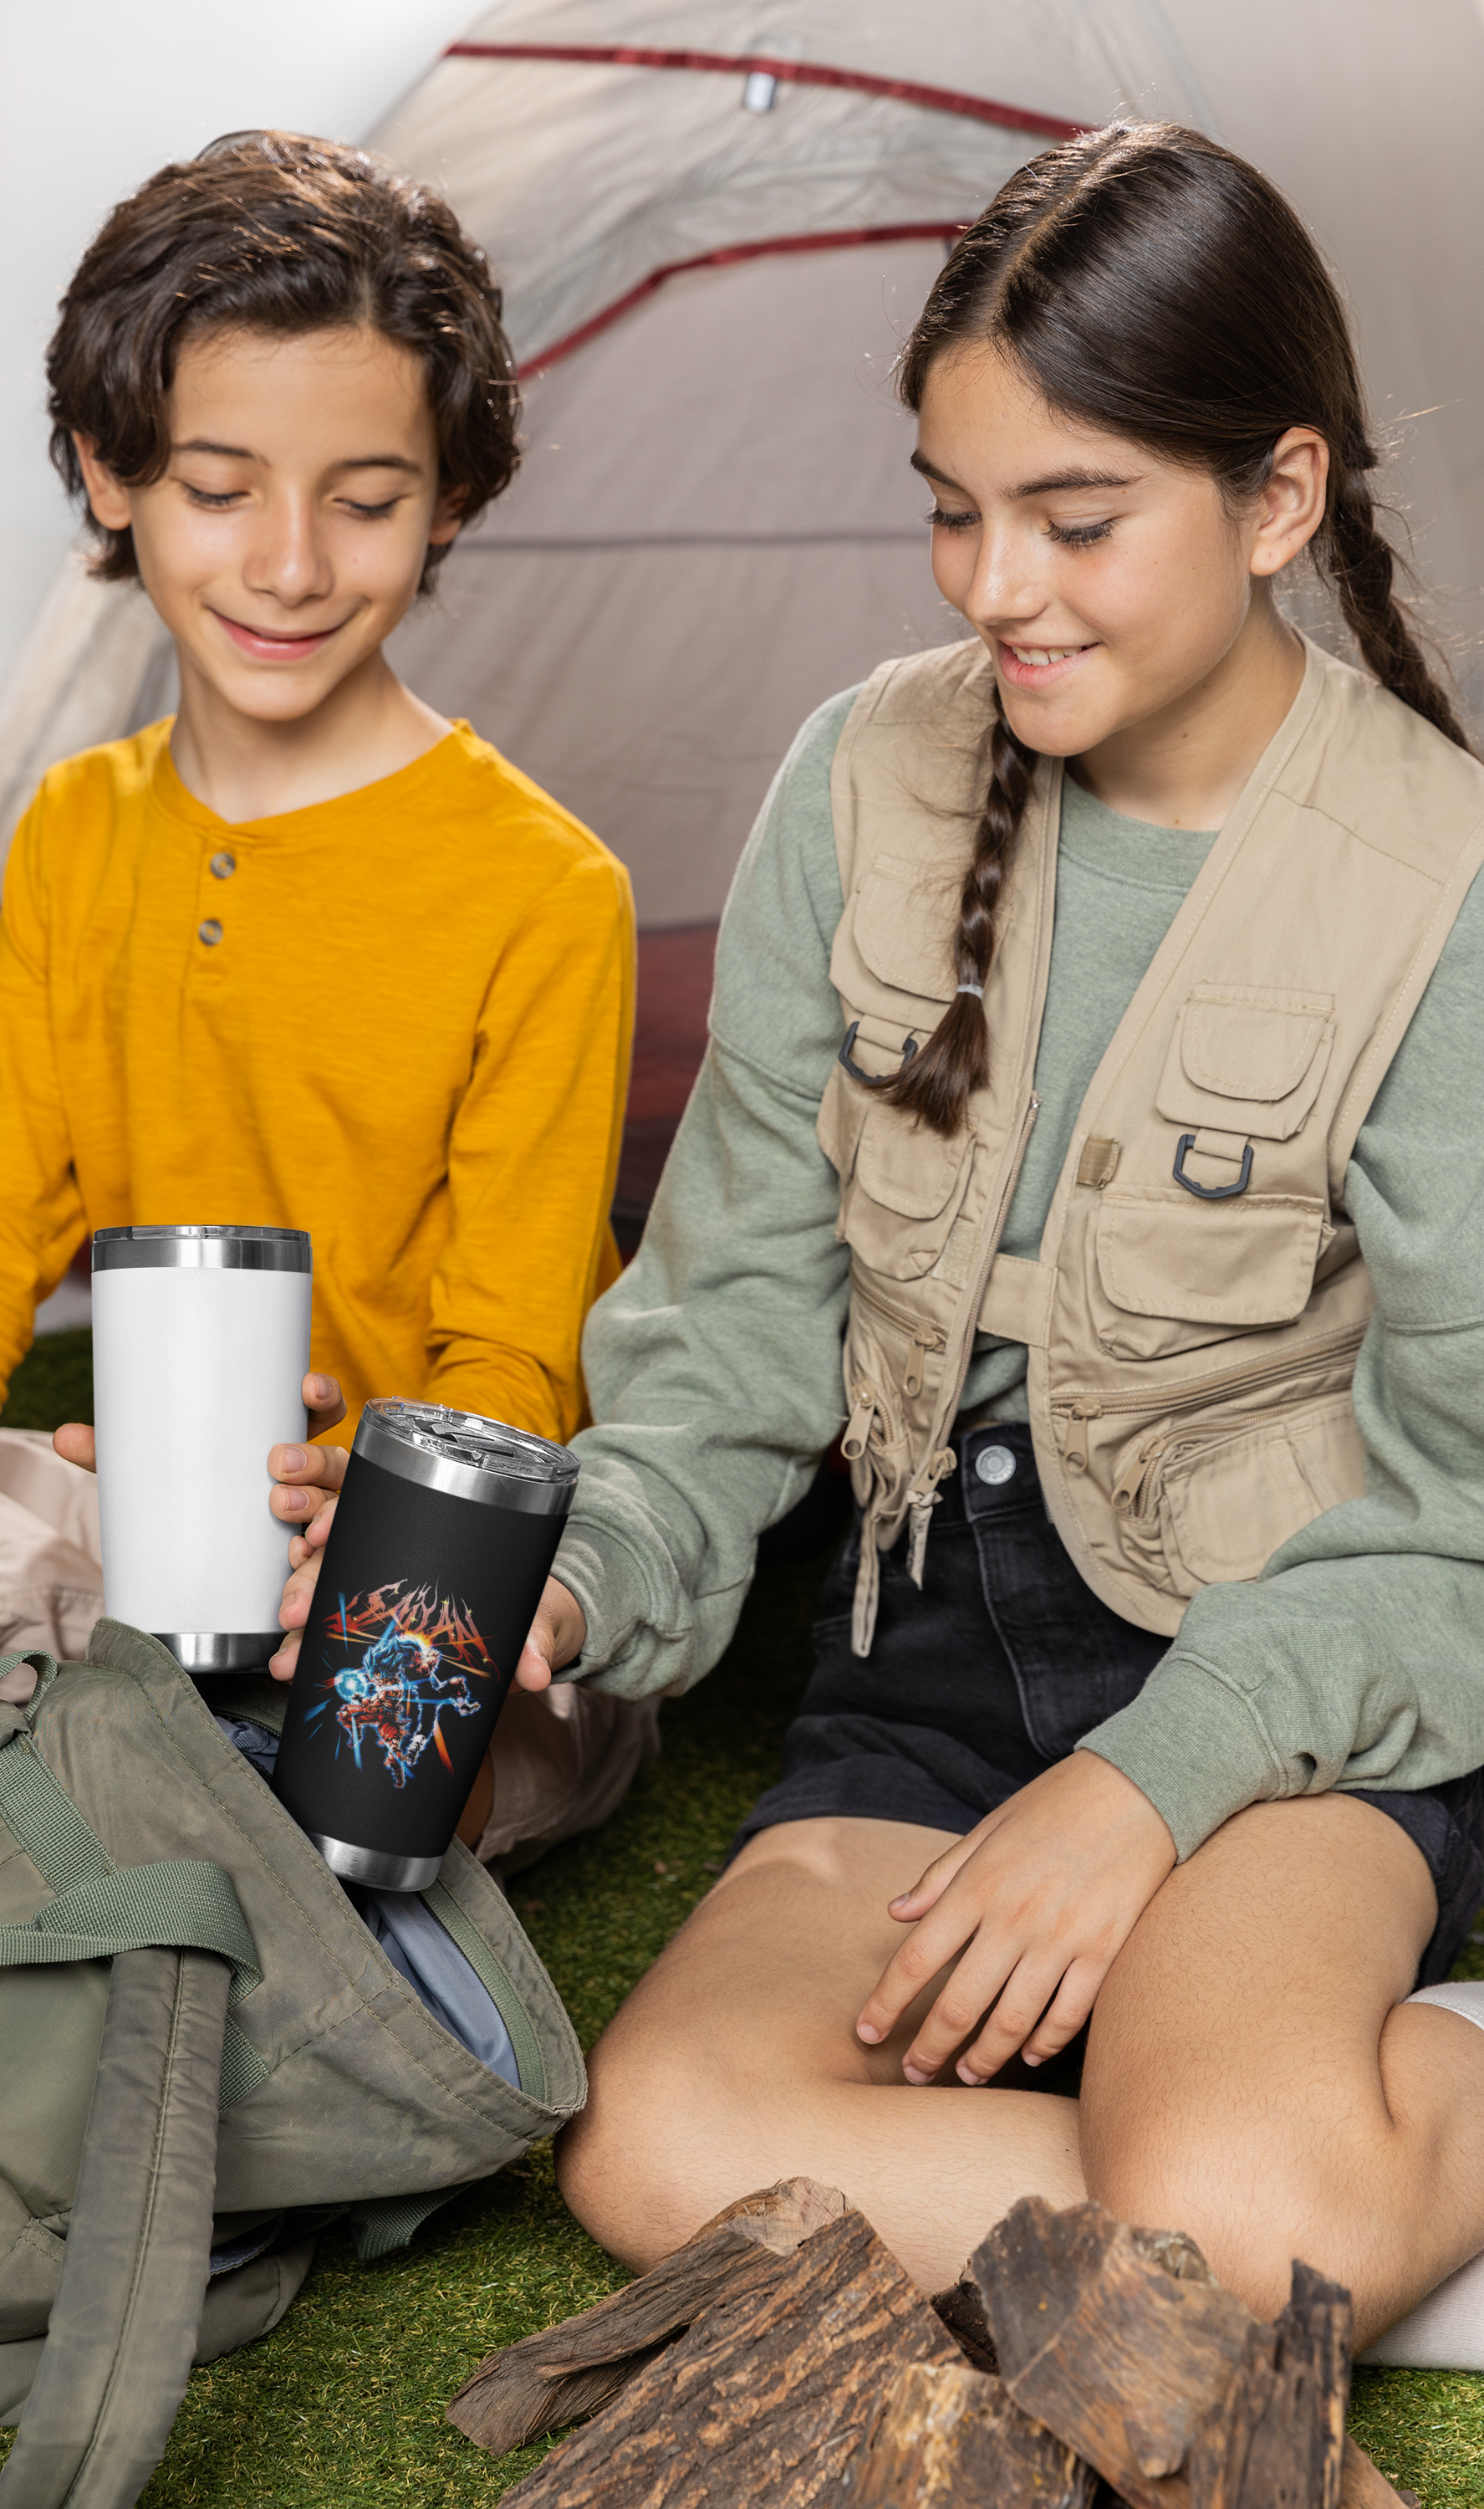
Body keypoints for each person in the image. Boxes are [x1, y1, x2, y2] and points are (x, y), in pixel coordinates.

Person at [281, 117, 1484, 2349]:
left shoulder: (1448, 876)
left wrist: (1148, 1790)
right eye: (954, 510)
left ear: (1281, 501)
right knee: (658, 2142)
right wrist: (579, 1573)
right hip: (924, 1678)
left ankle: (1324, 2150)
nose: (991, 586)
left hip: (1285, 1683)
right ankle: (1287, 2206)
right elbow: (732, 1337)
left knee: (1207, 2219)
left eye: (1076, 517)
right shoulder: (861, 780)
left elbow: (1462, 1517)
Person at [0, 132, 655, 1869]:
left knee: (370, 1779)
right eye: (218, 486)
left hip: (435, 1539)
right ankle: (109, 1731)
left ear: (447, 501)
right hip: (148, 1521)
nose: (289, 563)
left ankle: (237, 1800)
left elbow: (510, 1362)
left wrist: (370, 1525)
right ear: (106, 475)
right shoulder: (78, 833)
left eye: (363, 499)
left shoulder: (543, 890)